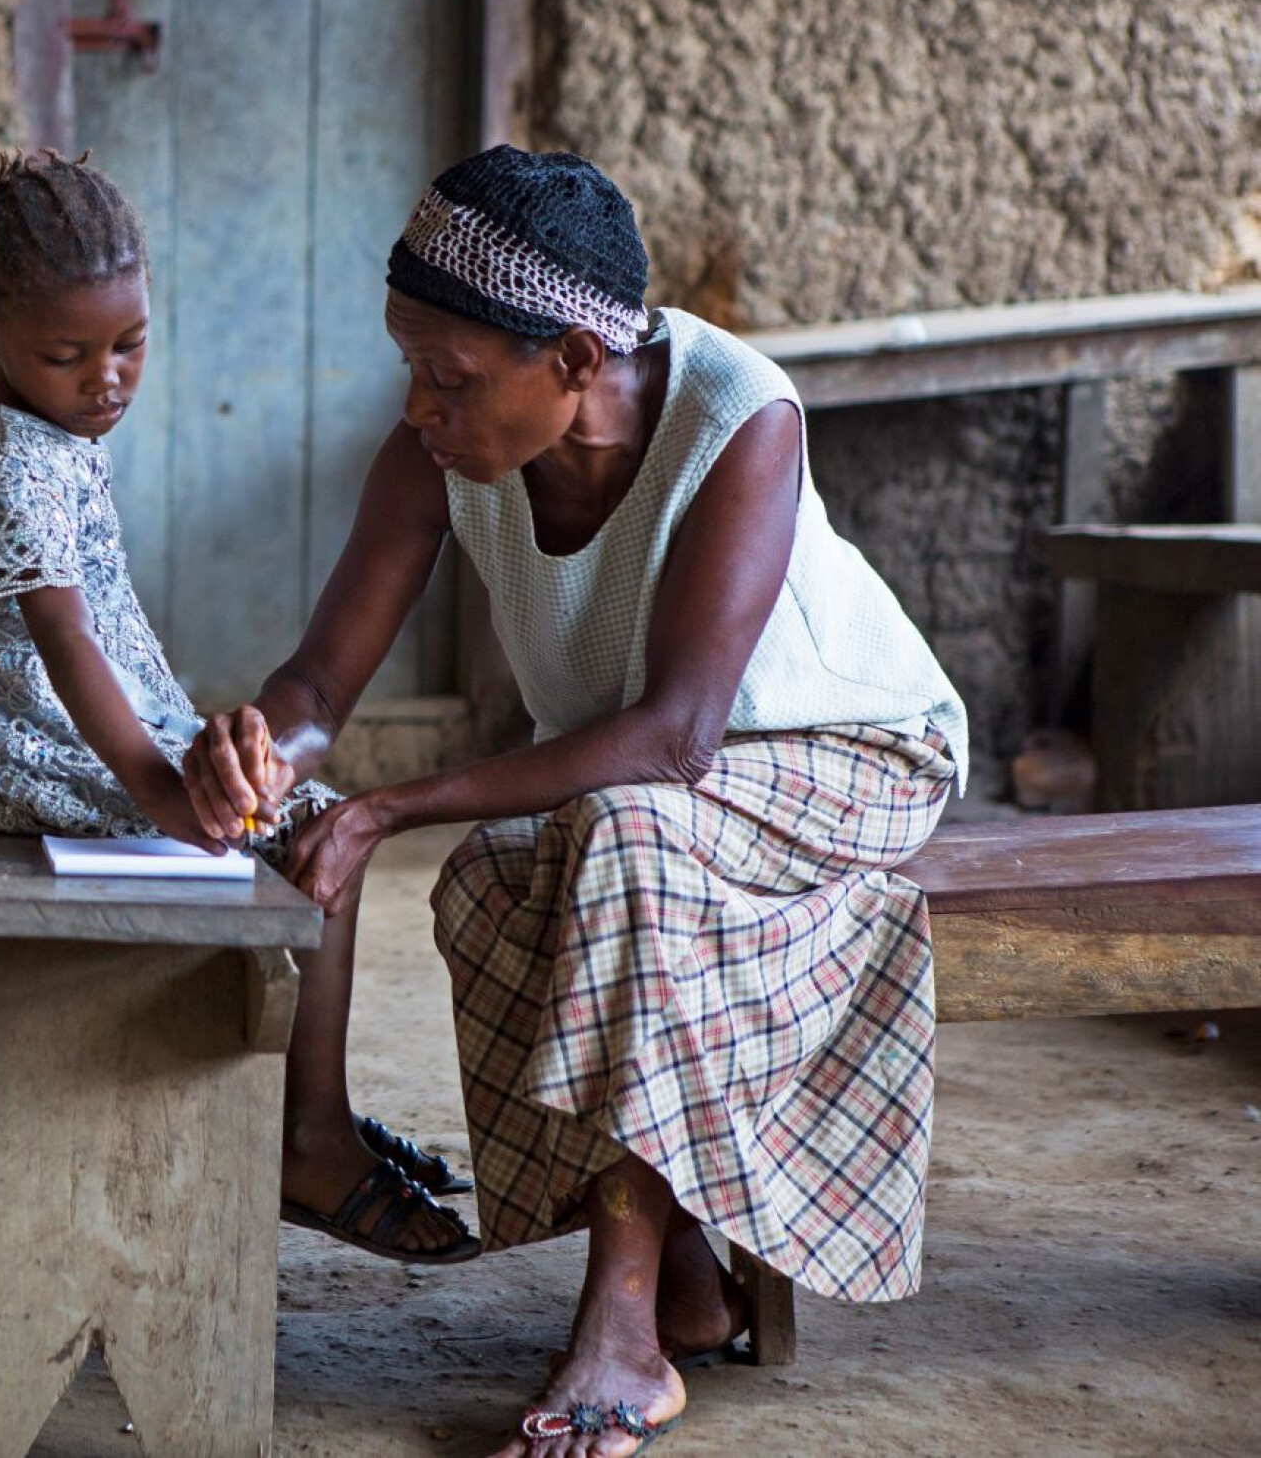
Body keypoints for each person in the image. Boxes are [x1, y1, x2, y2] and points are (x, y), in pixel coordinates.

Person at [184, 146, 968, 1457]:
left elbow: (673, 736)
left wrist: (387, 805)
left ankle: (621, 1336)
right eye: (409, 364)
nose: (421, 405)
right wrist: (266, 745)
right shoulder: (435, 452)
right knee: (490, 874)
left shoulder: (739, 419)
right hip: (660, 784)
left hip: (852, 752)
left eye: (451, 374)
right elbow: (322, 678)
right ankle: (688, 1279)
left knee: (621, 837)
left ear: (573, 363)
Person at [0, 148, 478, 1264]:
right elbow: (65, 644)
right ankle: (306, 1138)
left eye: (128, 344)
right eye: (66, 354)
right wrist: (161, 792)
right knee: (320, 827)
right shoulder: (13, 463)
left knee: (294, 809)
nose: (105, 380)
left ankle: (307, 1114)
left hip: (26, 729)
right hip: (40, 751)